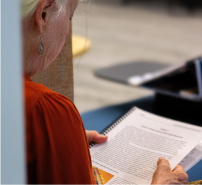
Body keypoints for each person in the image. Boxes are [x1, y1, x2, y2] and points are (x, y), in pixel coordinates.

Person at [21, 0, 188, 184]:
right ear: (43, 14)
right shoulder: (43, 109)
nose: (67, 32)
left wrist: (56, 141)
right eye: (70, 17)